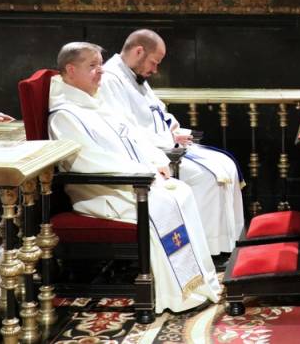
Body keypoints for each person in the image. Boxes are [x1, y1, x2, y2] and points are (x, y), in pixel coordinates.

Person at [48, 42, 221, 313]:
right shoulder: (64, 115)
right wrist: (144, 172)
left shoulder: (93, 102)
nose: (100, 71)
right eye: (92, 66)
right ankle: (178, 292)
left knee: (181, 191)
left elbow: (131, 136)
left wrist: (155, 160)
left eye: (100, 65)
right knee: (165, 202)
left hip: (132, 180)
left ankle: (197, 281)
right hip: (102, 192)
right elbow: (90, 162)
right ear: (70, 70)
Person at [98, 29, 244, 256]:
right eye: (154, 62)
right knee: (207, 177)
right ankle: (204, 250)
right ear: (139, 51)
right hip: (148, 155)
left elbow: (158, 111)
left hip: (164, 145)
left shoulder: (135, 76)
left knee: (226, 164)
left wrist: (174, 132)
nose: (155, 70)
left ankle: (229, 243)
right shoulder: (110, 79)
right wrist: (168, 139)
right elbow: (124, 130)